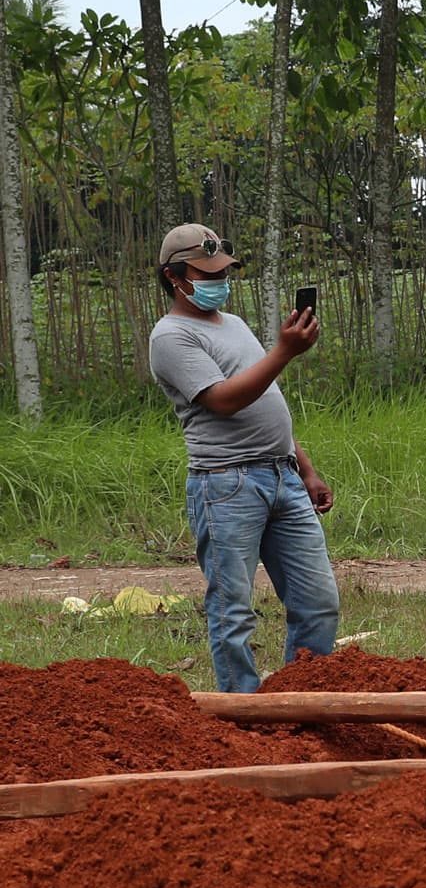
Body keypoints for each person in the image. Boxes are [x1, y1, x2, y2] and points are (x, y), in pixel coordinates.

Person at [146, 223, 338, 694]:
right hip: (226, 485)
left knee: (318, 601)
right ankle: (243, 712)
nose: (218, 280)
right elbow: (225, 400)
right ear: (175, 277)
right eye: (206, 272)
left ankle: (304, 700)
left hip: (283, 477)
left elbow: (266, 398)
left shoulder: (233, 325)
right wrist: (284, 351)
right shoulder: (170, 336)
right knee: (233, 610)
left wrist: (305, 468)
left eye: (223, 271)